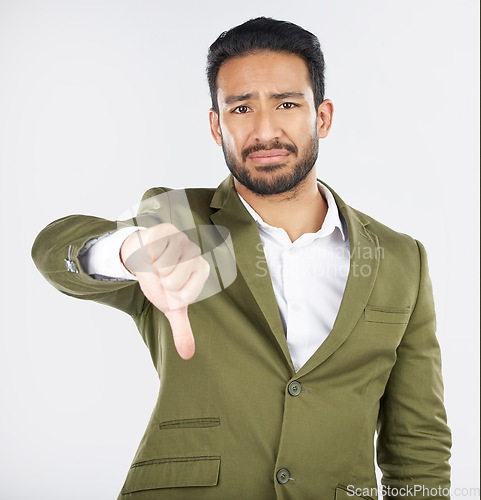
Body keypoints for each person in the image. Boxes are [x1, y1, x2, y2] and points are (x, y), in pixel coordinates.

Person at [32, 17, 451, 500]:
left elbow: (417, 440)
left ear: (323, 117)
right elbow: (52, 248)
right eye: (241, 108)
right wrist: (126, 251)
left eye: (287, 104)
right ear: (216, 124)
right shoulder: (176, 223)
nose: (264, 129)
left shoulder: (402, 259)